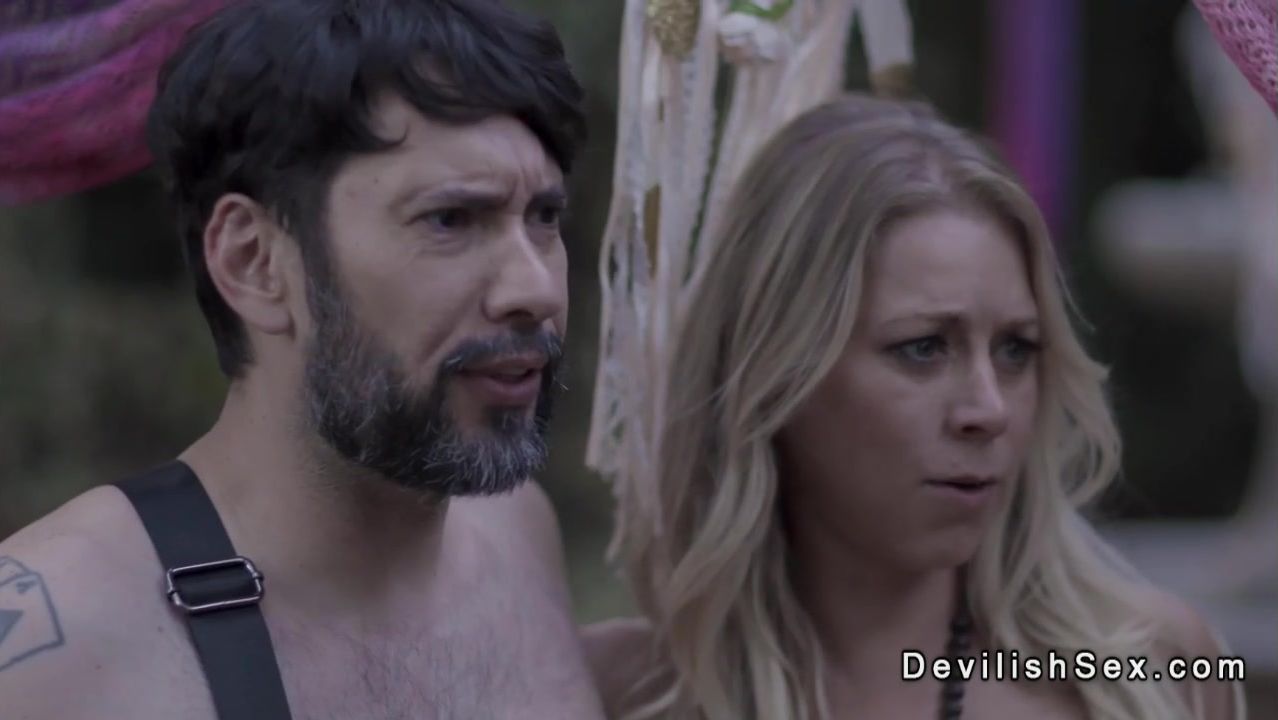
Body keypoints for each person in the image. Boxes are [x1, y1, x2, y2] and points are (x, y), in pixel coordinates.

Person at [0, 1, 606, 718]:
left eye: (543, 217)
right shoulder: (52, 647)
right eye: (450, 220)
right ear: (253, 260)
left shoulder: (516, 532)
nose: (536, 290)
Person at [584, 94, 1245, 719]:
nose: (989, 409)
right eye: (924, 348)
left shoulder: (1152, 671)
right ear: (776, 372)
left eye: (1015, 350)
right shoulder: (619, 690)